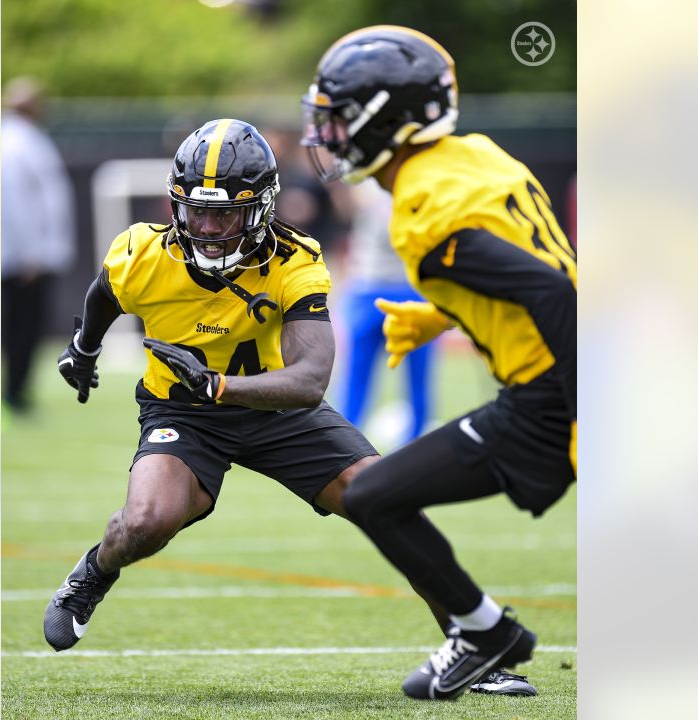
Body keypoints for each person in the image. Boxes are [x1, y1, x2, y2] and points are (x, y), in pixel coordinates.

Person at [42, 118, 460, 659]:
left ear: (260, 208)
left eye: (226, 214)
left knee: (392, 503)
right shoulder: (142, 251)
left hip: (278, 410)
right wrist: (84, 347)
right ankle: (94, 572)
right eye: (197, 212)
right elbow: (105, 294)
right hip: (182, 409)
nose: (210, 229)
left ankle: (472, 644)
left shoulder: (295, 258)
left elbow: (309, 380)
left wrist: (220, 385)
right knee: (148, 521)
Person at [302, 26, 576, 700]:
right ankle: (485, 632)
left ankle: (483, 634)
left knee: (369, 496)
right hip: (565, 375)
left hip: (550, 395)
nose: (329, 135)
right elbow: (533, 267)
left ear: (384, 118)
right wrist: (440, 311)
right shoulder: (476, 155)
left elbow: (550, 289)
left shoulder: (421, 212)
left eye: (338, 119)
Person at [338, 179, 434, 446]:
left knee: (419, 378)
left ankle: (417, 441)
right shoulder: (366, 176)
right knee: (355, 377)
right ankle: (342, 441)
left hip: (410, 287)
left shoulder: (423, 177)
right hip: (368, 285)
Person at [1, 76, 74, 415]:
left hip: (26, 255)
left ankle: (17, 390)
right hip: (23, 258)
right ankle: (14, 393)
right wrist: (30, 252)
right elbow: (16, 201)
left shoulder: (24, 140)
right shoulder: (17, 143)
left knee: (24, 327)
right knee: (20, 327)